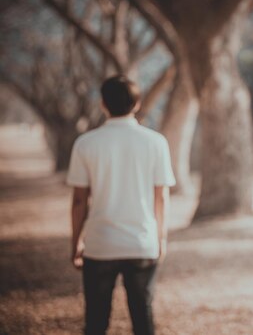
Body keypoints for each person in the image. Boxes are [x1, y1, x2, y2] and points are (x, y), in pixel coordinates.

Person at [67, 75, 176, 335]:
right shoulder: (156, 142)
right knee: (143, 317)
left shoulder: (86, 143)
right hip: (141, 243)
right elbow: (160, 197)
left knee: (96, 320)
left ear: (103, 103)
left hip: (99, 244)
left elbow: (80, 200)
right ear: (137, 104)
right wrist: (161, 238)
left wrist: (76, 243)